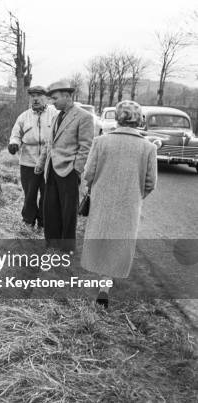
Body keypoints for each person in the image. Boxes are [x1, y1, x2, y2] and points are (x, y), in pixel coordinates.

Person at [81, 100, 157, 308]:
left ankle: (101, 280)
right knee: (119, 242)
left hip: (102, 200)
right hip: (129, 203)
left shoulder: (101, 142)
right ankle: (106, 285)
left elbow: (88, 174)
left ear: (117, 117)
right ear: (139, 120)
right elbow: (151, 182)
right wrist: (136, 197)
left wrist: (91, 189)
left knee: (101, 238)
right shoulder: (148, 147)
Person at [35, 81, 93, 252]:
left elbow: (86, 147)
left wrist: (76, 170)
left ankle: (66, 247)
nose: (52, 102)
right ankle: (52, 243)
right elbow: (49, 144)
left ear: (67, 96)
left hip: (69, 171)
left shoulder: (84, 117)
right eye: (51, 99)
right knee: (50, 207)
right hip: (51, 170)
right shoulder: (56, 117)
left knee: (68, 212)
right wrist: (40, 163)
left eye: (55, 98)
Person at [8, 86, 58, 229]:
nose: (35, 99)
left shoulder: (54, 114)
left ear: (46, 98)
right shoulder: (24, 116)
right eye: (32, 96)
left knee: (47, 194)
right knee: (29, 194)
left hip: (49, 162)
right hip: (28, 162)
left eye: (39, 96)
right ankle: (28, 220)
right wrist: (14, 144)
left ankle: (43, 222)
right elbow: (16, 134)